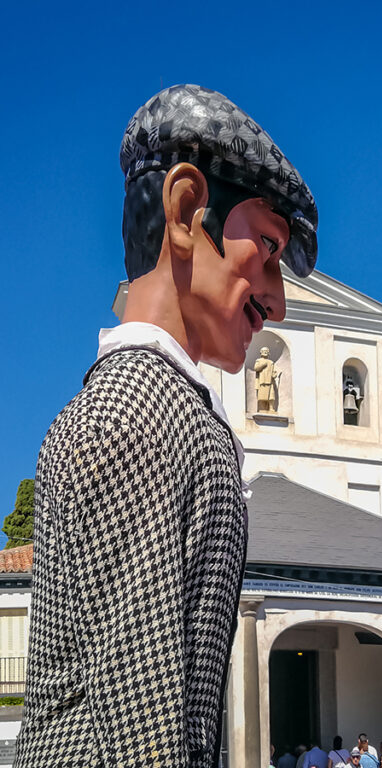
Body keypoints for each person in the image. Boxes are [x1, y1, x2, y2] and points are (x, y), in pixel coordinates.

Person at [14, 84, 318, 768]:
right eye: (267, 247)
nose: (277, 299)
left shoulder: (151, 408)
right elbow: (143, 724)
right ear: (185, 211)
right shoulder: (138, 415)